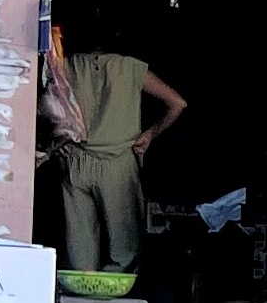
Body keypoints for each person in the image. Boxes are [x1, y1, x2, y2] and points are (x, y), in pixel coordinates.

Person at [46, 34, 185, 278]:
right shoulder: (131, 67)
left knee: (79, 255)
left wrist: (56, 141)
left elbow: (44, 107)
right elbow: (178, 103)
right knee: (124, 251)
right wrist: (150, 134)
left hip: (75, 160)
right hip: (118, 163)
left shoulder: (64, 66)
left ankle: (82, 302)